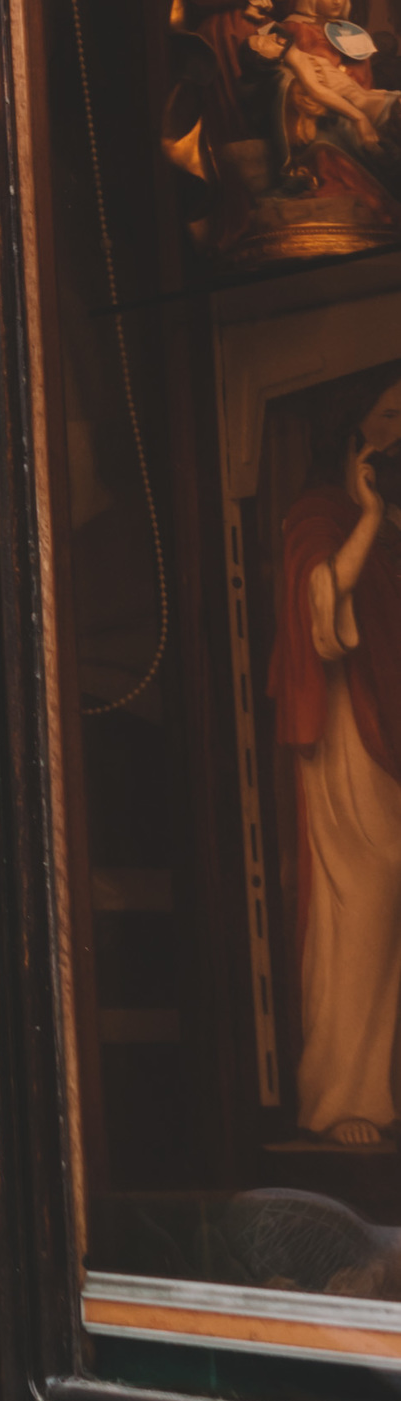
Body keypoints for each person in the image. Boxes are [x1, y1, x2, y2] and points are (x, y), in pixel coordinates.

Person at [271, 377, 401, 1148]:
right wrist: (370, 512)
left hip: (381, 738)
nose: (396, 431)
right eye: (386, 416)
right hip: (342, 742)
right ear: (350, 435)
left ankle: (377, 1090)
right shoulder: (321, 513)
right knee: (363, 903)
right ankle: (337, 1094)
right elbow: (321, 602)